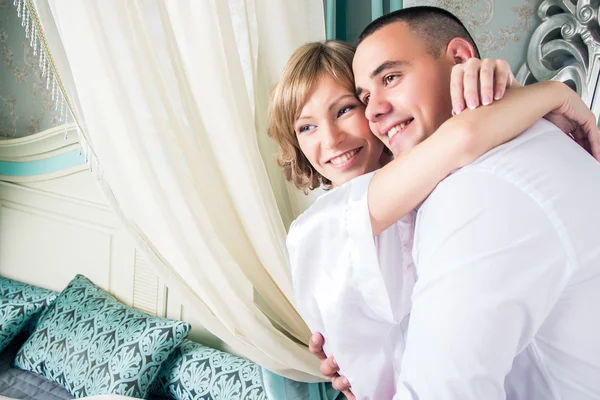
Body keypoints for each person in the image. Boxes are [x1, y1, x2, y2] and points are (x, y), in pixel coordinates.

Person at [269, 31, 599, 400]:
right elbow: (463, 137)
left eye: (346, 109)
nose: (330, 139)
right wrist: (553, 93)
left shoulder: (442, 186)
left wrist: (499, 86)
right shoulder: (316, 228)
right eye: (306, 127)